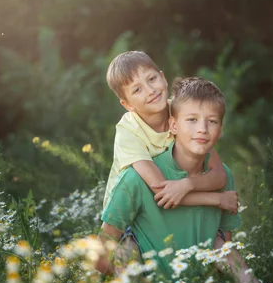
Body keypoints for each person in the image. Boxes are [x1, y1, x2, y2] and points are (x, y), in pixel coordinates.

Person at [97, 77, 263, 283]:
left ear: (221, 129)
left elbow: (226, 247)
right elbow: (101, 256)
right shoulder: (136, 177)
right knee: (125, 251)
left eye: (212, 121)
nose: (202, 129)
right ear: (173, 125)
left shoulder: (222, 177)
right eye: (192, 120)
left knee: (229, 254)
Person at [102, 51, 238, 216]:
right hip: (129, 214)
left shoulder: (184, 112)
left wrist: (187, 184)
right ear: (127, 104)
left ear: (163, 78)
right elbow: (161, 190)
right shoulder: (128, 132)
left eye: (152, 79)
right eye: (137, 89)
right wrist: (217, 199)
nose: (150, 90)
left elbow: (219, 174)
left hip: (171, 201)